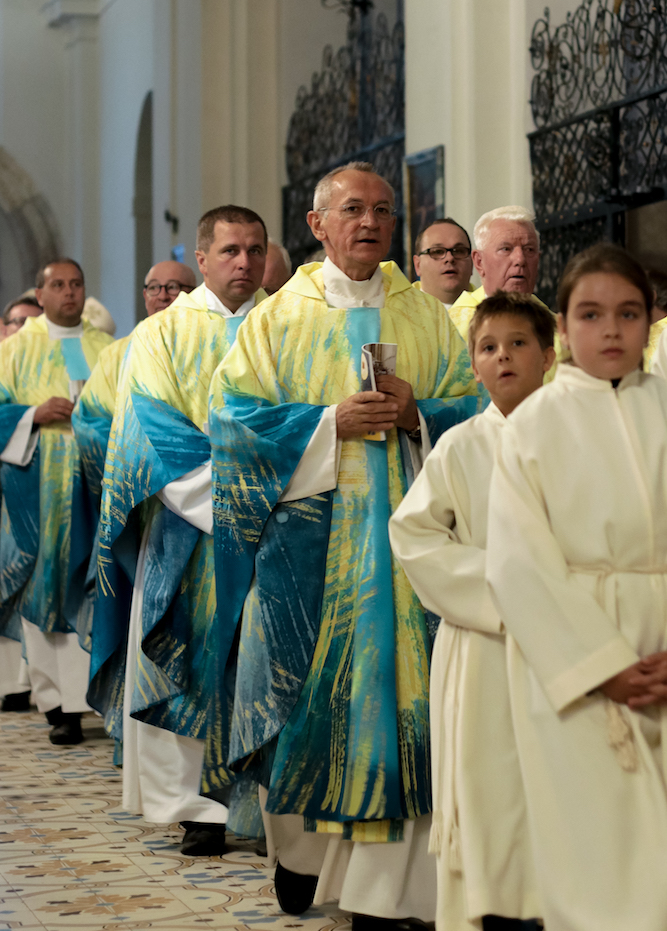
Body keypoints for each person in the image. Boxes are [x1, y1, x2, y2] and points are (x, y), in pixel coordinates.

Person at [207, 162, 481, 930]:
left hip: (410, 554)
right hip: (307, 551)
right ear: (317, 225)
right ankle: (296, 857)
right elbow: (230, 425)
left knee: (411, 707)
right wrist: (328, 425)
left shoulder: (427, 317)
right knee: (299, 701)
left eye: (383, 210)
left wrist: (418, 414)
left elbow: (480, 415)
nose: (369, 222)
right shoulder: (274, 319)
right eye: (352, 209)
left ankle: (387, 892)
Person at [486, 243, 667, 931]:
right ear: (561, 327)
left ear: (651, 319)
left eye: (628, 312)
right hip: (579, 667)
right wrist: (604, 667)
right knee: (598, 862)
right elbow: (517, 563)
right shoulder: (533, 424)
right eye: (591, 314)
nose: (612, 330)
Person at [90, 206, 267, 856]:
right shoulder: (163, 334)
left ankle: (266, 802)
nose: (243, 262)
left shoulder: (288, 325)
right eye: (229, 251)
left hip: (280, 526)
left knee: (263, 662)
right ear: (202, 258)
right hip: (191, 531)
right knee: (187, 663)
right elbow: (152, 429)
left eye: (254, 249)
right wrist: (235, 504)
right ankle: (198, 807)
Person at [389, 292, 553, 931]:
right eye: (489, 347)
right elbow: (415, 537)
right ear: (473, 365)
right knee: (488, 789)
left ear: (548, 355)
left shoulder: (575, 436)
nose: (504, 356)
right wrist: (508, 590)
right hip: (485, 642)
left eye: (518, 343)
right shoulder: (458, 447)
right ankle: (493, 909)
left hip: (568, 640)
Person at [0, 258, 113, 745]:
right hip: (40, 488)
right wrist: (32, 414)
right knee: (47, 588)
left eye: (76, 285)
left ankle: (92, 698)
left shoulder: (106, 348)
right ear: (40, 295)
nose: (69, 293)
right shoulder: (16, 349)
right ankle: (55, 704)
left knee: (96, 583)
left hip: (96, 483)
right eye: (58, 286)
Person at [72, 260, 197, 502]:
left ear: (194, 293)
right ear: (144, 294)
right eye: (154, 288)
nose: (163, 296)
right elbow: (88, 420)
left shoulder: (209, 344)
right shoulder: (116, 354)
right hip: (135, 483)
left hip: (197, 479)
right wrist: (132, 463)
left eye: (173, 287)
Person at [0, 296, 42, 711]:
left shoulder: (52, 357)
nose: (24, 330)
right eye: (18, 322)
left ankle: (25, 680)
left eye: (34, 323)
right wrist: (32, 415)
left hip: (34, 489)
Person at [412, 218, 474, 307]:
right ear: (418, 265)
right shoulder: (398, 311)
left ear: (472, 263)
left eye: (459, 251)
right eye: (437, 252)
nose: (450, 258)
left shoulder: (493, 312)